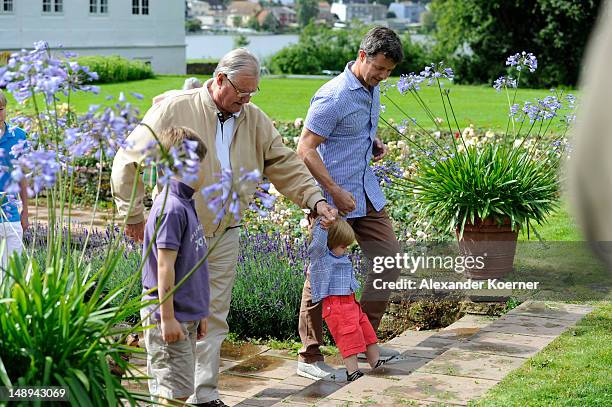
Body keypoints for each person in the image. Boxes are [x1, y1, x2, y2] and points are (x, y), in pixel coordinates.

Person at [111, 48, 337, 407]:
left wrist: (315, 200)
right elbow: (128, 159)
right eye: (241, 92)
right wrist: (133, 215)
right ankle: (164, 395)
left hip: (224, 233)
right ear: (219, 79)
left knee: (212, 317)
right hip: (177, 230)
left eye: (252, 94)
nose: (246, 100)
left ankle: (204, 396)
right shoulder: (175, 108)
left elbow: (283, 163)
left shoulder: (254, 119)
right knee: (163, 310)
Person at [296, 26, 404, 379]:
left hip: (367, 194)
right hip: (331, 202)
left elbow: (352, 132)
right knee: (321, 276)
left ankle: (363, 338)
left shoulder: (370, 90)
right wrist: (333, 190)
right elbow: (306, 148)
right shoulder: (334, 95)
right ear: (362, 57)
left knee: (389, 262)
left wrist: (371, 144)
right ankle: (309, 356)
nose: (383, 77)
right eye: (380, 69)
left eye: (388, 72)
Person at [141, 127, 209, 404]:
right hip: (170, 315)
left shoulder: (184, 203)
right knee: (172, 392)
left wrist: (200, 312)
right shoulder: (171, 208)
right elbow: (165, 268)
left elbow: (191, 264)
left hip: (186, 314)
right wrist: (167, 318)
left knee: (178, 389)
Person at [308, 217, 387, 382]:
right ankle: (352, 372)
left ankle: (376, 362)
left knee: (367, 333)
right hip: (336, 305)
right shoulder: (322, 258)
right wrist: (323, 226)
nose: (345, 250)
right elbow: (316, 246)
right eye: (343, 246)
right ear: (330, 242)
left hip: (351, 303)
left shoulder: (340, 256)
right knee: (348, 337)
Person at [0, 89, 28, 271]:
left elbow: (22, 176)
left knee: (13, 272)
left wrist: (25, 210)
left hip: (11, 215)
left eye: (0, 108)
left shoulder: (18, 136)